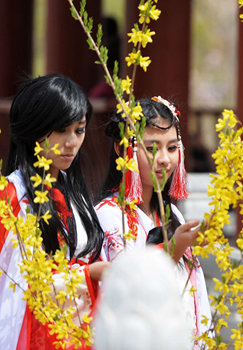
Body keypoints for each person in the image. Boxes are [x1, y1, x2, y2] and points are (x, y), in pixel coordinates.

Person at [0, 73, 108, 349]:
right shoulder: (10, 199)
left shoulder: (75, 197)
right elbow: (16, 285)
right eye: (62, 130)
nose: (72, 142)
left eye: (80, 130)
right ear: (34, 128)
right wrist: (88, 274)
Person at [95, 96, 211, 348]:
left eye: (171, 148)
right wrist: (175, 249)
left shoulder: (173, 215)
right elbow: (129, 291)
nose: (164, 159)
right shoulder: (108, 216)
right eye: (151, 148)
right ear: (121, 149)